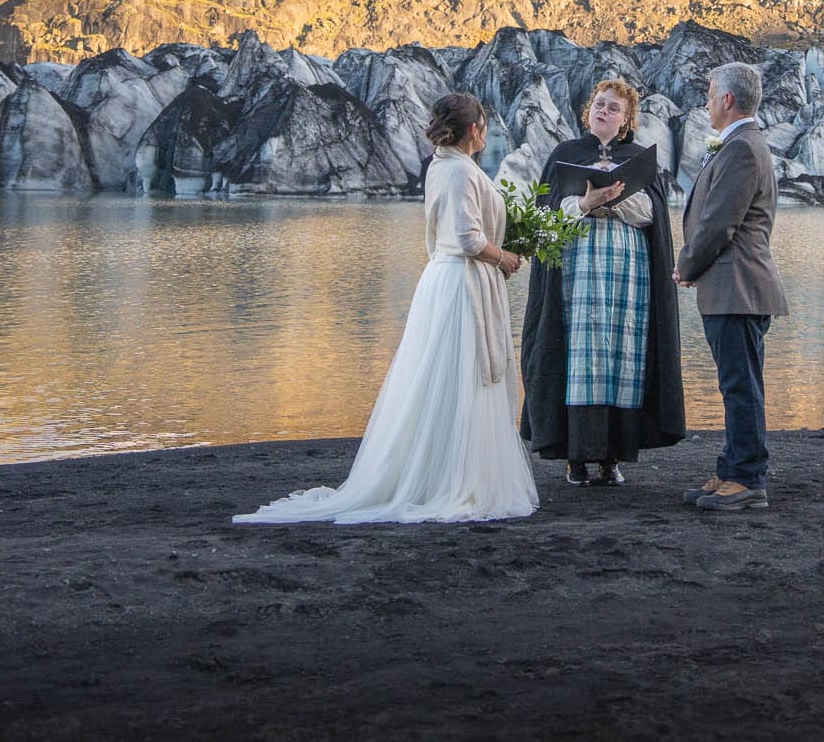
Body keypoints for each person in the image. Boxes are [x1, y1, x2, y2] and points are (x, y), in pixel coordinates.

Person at [233, 92, 538, 525]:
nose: (485, 130)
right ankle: (453, 481)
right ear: (475, 129)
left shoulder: (444, 165)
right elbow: (469, 239)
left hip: (448, 279)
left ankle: (444, 472)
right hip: (460, 284)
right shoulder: (458, 172)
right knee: (460, 380)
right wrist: (503, 257)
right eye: (484, 123)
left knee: (447, 380)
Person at [520, 79, 685, 486]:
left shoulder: (638, 158)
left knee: (620, 352)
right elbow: (548, 215)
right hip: (577, 267)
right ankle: (576, 456)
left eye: (614, 108)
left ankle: (612, 457)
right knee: (581, 352)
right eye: (599, 105)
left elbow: (653, 214)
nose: (604, 112)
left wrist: (617, 196)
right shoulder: (566, 154)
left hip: (628, 269)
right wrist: (585, 202)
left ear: (627, 119)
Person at [674, 61, 787, 513]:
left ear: (727, 100)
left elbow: (719, 224)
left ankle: (747, 478)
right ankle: (731, 468)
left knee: (740, 385)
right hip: (731, 285)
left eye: (709, 91)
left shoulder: (742, 148)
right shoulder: (742, 144)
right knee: (736, 382)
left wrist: (685, 266)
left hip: (737, 285)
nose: (705, 100)